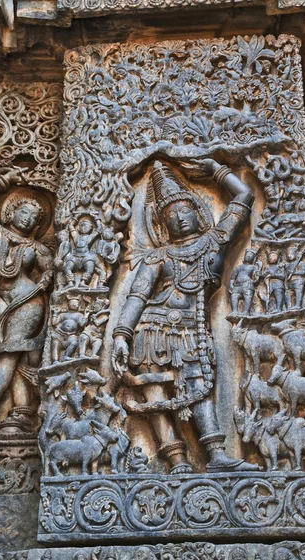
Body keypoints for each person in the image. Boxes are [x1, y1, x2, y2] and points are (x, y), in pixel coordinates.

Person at [112, 158, 259, 473]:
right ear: (162, 225)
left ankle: (217, 455)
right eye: (170, 215)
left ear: (198, 212)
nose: (179, 218)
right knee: (154, 391)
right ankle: (176, 459)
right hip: (151, 329)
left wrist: (214, 168)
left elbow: (244, 197)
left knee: (199, 386)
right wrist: (122, 333)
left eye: (184, 210)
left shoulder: (215, 241)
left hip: (191, 330)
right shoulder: (159, 256)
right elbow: (138, 295)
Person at [0, 167, 53, 433]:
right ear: (11, 212)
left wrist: (47, 277)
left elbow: (53, 269)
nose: (28, 219)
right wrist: (3, 182)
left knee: (10, 354)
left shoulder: (36, 248)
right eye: (24, 212)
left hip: (27, 301)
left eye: (34, 217)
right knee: (2, 355)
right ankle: (20, 409)